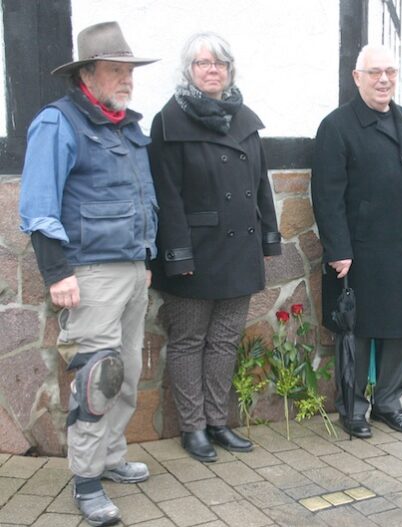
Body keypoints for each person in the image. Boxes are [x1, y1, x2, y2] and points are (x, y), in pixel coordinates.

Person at [18, 21, 158, 527]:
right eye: (116, 71)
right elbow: (38, 205)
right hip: (88, 273)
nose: (127, 79)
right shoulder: (59, 123)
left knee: (127, 372)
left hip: (130, 269)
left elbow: (142, 199)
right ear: (88, 74)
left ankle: (112, 455)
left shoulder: (125, 124)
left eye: (129, 71)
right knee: (97, 379)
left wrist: (145, 257)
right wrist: (57, 271)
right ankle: (85, 478)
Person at [148, 32, 281, 462]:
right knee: (189, 340)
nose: (212, 70)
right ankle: (193, 428)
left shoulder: (244, 118)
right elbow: (166, 196)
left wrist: (268, 236)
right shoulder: (168, 121)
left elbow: (262, 183)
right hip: (195, 252)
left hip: (239, 249)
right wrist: (177, 253)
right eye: (203, 63)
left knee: (225, 340)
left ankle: (217, 421)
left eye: (219, 63)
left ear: (229, 70)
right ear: (188, 70)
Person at [312, 44, 402, 439]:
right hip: (358, 253)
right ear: (356, 77)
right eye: (375, 72)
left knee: (397, 331)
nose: (384, 79)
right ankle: (354, 407)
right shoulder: (337, 126)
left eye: (390, 71)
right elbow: (327, 195)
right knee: (357, 333)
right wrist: (338, 249)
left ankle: (389, 403)